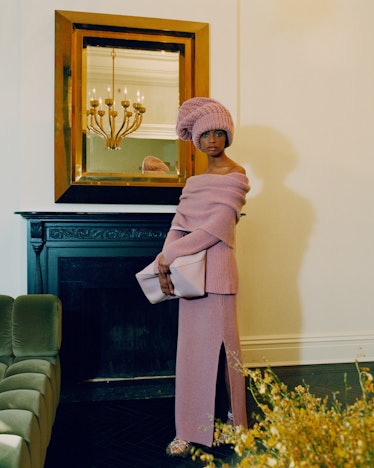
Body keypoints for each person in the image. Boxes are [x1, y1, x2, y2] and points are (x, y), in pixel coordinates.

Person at [156, 97, 250, 457]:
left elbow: (216, 229)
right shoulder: (194, 182)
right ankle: (187, 430)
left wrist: (171, 255)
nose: (212, 140)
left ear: (227, 136)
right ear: (196, 139)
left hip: (221, 276)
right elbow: (179, 224)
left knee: (227, 358)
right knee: (191, 354)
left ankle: (235, 427)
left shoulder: (237, 175)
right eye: (205, 134)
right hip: (191, 277)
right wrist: (164, 258)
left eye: (218, 133)